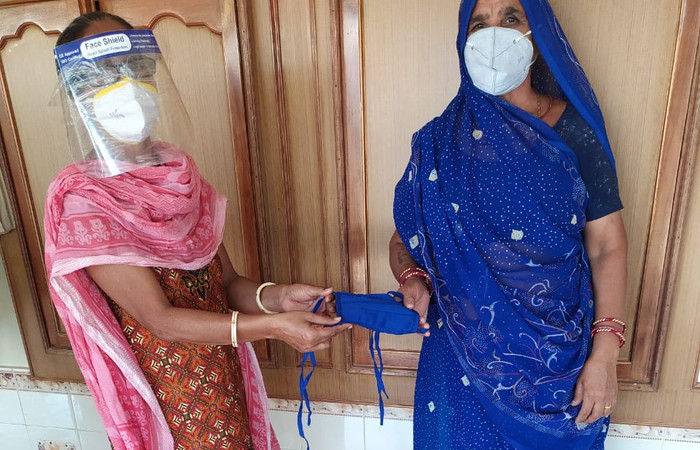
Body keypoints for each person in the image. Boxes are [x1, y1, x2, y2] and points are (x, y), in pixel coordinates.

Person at [44, 12, 350, 450]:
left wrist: (278, 297)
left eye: (136, 69)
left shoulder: (179, 178)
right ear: (78, 95)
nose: (127, 86)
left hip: (225, 380)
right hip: (170, 404)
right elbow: (161, 322)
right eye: (107, 74)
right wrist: (274, 327)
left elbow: (224, 282)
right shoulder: (86, 204)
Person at [389, 0, 628, 449]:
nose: (493, 34)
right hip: (460, 361)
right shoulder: (440, 140)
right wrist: (410, 277)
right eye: (479, 23)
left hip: (556, 367)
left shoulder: (572, 131)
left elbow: (607, 245)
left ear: (537, 35)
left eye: (511, 17)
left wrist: (606, 355)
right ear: (464, 40)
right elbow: (403, 240)